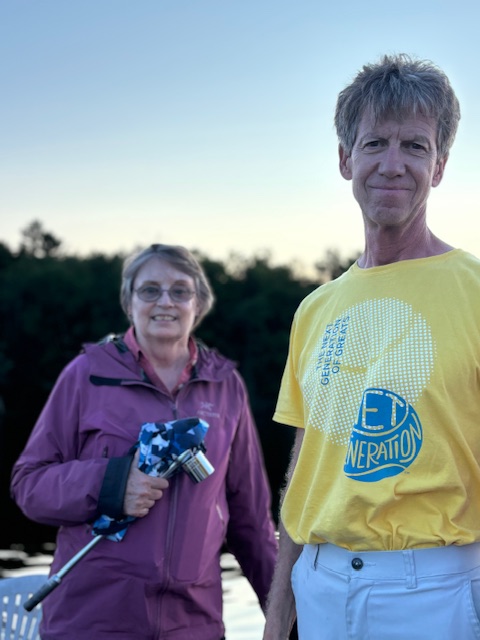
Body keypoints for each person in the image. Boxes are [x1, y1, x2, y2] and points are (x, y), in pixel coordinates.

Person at [263, 54, 480, 640]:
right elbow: (305, 471)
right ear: (344, 159)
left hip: (439, 592)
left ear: (439, 166)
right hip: (320, 586)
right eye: (374, 143)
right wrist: (279, 610)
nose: (392, 164)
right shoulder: (314, 309)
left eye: (414, 145)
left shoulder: (475, 289)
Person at [11, 243, 278, 640]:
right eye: (149, 290)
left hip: (194, 625)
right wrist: (114, 483)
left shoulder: (226, 385)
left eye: (180, 290)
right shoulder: (87, 374)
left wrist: (285, 615)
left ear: (198, 303)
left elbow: (252, 522)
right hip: (92, 623)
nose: (165, 302)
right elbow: (29, 485)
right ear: (129, 301)